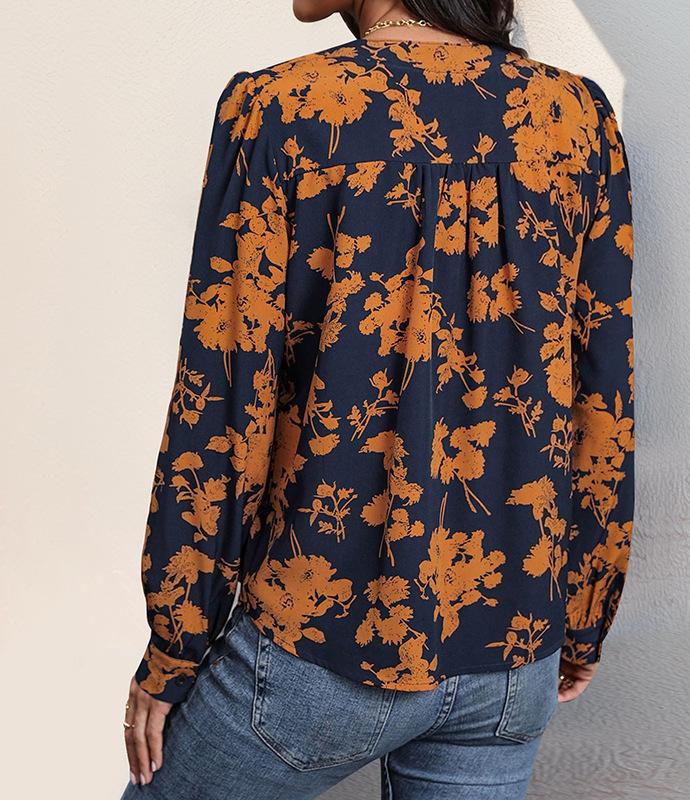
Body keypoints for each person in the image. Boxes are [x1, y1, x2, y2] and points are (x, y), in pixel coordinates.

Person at [121, 0, 635, 797]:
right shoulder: (575, 118)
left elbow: (224, 394)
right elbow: (603, 391)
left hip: (324, 645)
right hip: (514, 650)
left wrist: (177, 640)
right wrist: (584, 610)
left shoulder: (283, 108)